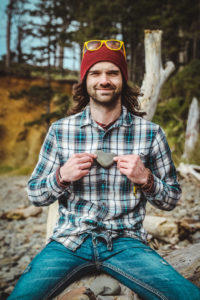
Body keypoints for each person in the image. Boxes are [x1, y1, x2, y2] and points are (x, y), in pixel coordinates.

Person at [8, 39, 200, 300]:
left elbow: (172, 199)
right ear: (85, 80)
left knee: (187, 295)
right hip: (69, 243)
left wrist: (146, 179)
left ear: (123, 78)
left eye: (112, 72)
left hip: (126, 243)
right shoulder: (60, 131)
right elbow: (35, 195)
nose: (104, 80)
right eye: (96, 73)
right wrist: (61, 176)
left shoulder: (150, 133)